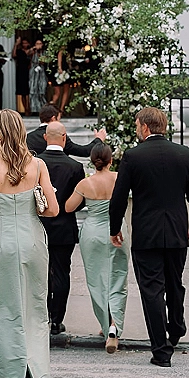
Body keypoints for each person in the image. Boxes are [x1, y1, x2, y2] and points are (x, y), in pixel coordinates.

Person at [0, 109, 58, 378]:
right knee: (35, 313)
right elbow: (52, 210)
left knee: (7, 315)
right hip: (33, 241)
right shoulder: (37, 165)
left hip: (2, 243)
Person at [109, 107, 189, 367]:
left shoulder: (133, 156)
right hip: (176, 231)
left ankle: (161, 351)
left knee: (151, 290)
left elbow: (119, 196)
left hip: (146, 233)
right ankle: (175, 327)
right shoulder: (183, 154)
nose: (137, 129)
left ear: (146, 127)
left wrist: (114, 227)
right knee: (175, 282)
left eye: (137, 124)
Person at [65, 142, 129, 353]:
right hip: (117, 229)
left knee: (96, 280)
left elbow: (68, 207)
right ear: (111, 160)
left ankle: (105, 324)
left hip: (93, 232)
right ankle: (114, 326)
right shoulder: (119, 177)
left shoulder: (85, 184)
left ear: (92, 161)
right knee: (118, 276)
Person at [35, 121, 85, 335]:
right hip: (64, 227)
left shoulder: (36, 163)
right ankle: (57, 320)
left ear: (46, 138)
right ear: (64, 138)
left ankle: (44, 315)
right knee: (62, 273)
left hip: (40, 226)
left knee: (41, 273)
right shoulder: (75, 167)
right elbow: (80, 202)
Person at [26, 103, 106, 157]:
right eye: (59, 119)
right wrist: (98, 139)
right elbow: (83, 151)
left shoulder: (29, 137)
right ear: (54, 118)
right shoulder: (59, 136)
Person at [28, 38, 48, 113]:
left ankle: (43, 109)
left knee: (42, 90)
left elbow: (45, 61)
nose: (38, 45)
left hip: (42, 72)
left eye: (40, 44)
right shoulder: (33, 51)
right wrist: (33, 49)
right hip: (33, 72)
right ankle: (34, 109)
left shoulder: (44, 52)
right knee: (33, 90)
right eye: (37, 44)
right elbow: (27, 53)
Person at [12, 36, 31, 114]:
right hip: (21, 72)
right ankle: (25, 108)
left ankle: (30, 108)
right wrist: (16, 44)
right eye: (23, 43)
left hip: (30, 72)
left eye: (26, 43)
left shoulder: (32, 51)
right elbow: (14, 55)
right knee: (23, 92)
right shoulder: (19, 51)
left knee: (30, 91)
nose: (24, 44)